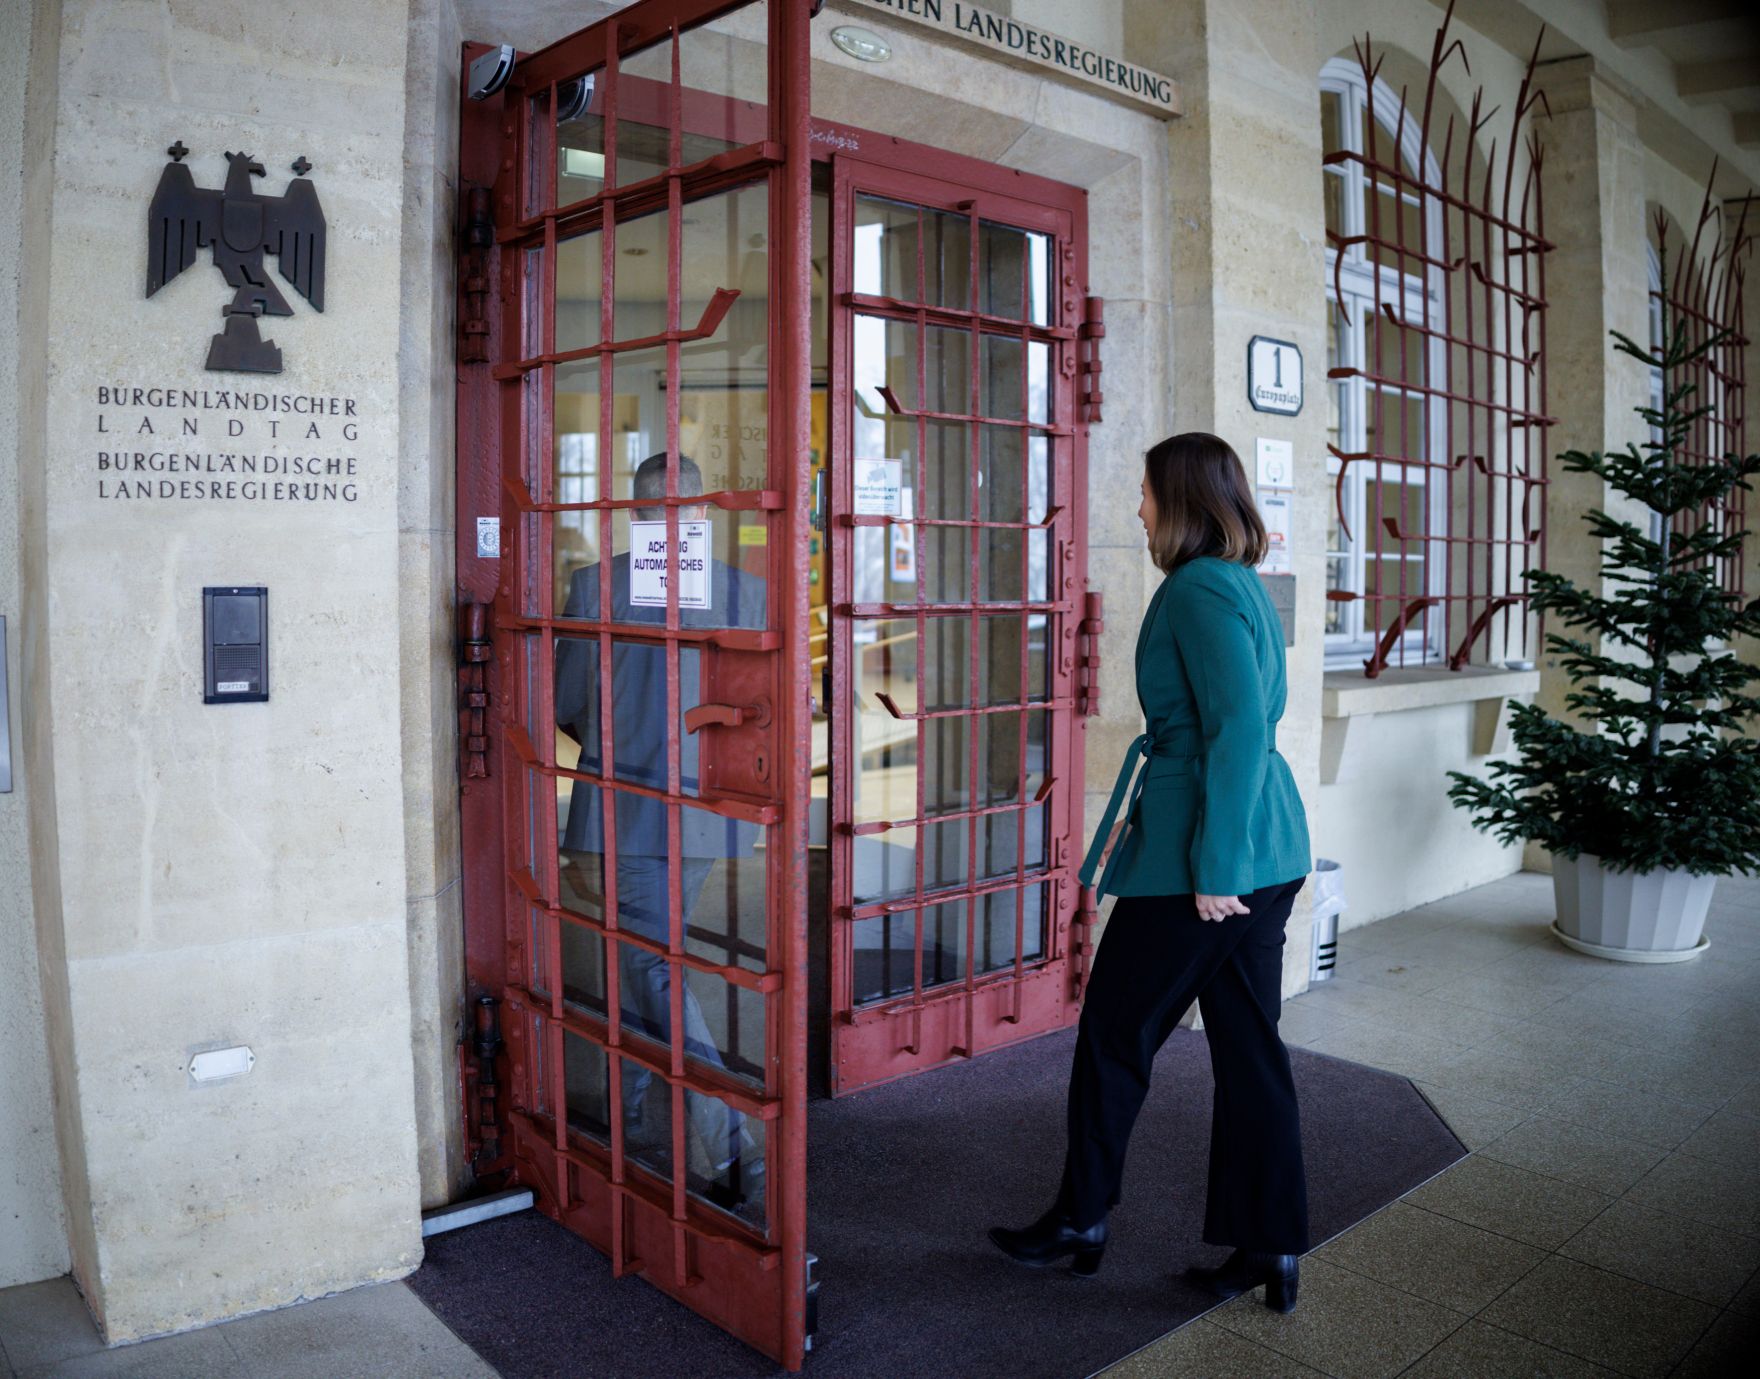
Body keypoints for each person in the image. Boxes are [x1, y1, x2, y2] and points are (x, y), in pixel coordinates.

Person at [989, 432, 1313, 1312]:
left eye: (1143, 491)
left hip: (1203, 861)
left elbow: (1237, 727)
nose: (1135, 506)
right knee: (1250, 1050)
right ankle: (1270, 1242)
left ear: (1181, 500)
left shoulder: (1199, 587)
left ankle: (1080, 1219)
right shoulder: (1240, 581)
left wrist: (1215, 867)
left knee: (1112, 1036)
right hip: (1267, 847)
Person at [554, 452, 767, 1213]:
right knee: (647, 959)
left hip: (625, 807)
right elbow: (758, 712)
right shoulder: (746, 593)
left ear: (634, 513)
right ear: (704, 511)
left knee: (651, 969)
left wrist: (622, 741)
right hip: (708, 814)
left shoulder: (595, 585)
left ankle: (737, 1149)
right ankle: (630, 1109)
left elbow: (564, 701)